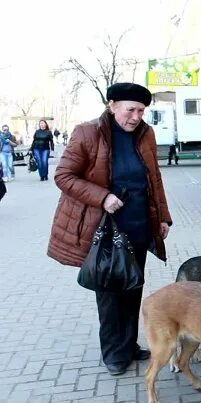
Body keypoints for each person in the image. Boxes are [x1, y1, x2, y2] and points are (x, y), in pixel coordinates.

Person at [47, 82, 173, 376]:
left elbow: (154, 178)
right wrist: (103, 197)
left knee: (132, 288)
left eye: (142, 111)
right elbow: (64, 175)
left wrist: (163, 218)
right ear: (112, 105)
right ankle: (114, 353)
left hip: (138, 227)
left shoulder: (146, 134)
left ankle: (128, 345)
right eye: (131, 109)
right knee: (109, 295)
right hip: (104, 231)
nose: (136, 117)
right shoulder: (87, 133)